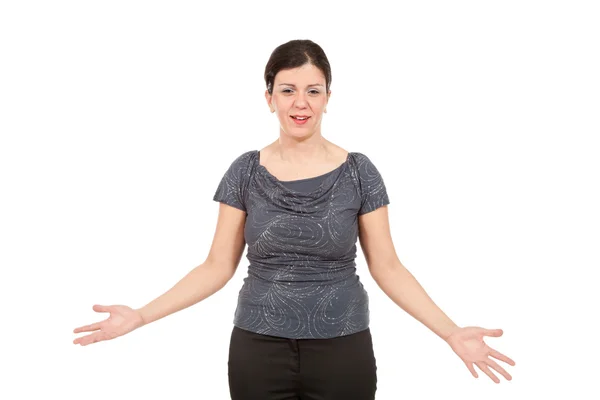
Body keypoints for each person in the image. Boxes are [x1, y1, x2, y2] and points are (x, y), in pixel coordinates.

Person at [73, 39, 516, 399]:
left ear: (327, 97)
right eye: (287, 90)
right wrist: (141, 316)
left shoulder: (359, 172)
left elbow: (388, 266)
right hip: (257, 350)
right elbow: (216, 266)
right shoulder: (245, 171)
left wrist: (450, 332)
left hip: (343, 349)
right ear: (269, 98)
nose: (300, 103)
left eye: (313, 90)